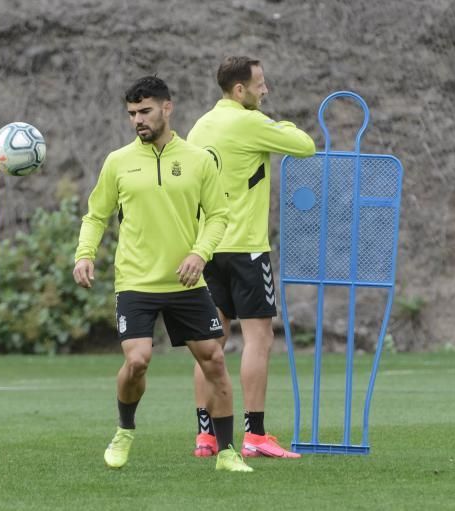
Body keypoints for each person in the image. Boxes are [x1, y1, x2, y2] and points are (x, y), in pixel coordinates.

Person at [74, 76, 252, 472]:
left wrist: (200, 254)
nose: (138, 119)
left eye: (145, 111)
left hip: (187, 281)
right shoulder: (118, 161)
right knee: (137, 361)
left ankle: (226, 452)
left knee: (215, 361)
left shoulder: (199, 160)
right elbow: (96, 214)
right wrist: (84, 254)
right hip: (136, 281)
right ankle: (124, 431)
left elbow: (219, 216)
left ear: (167, 108)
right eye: (132, 113)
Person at [186, 57, 316, 458]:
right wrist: (284, 126)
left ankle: (206, 435)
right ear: (239, 90)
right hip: (245, 247)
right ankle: (254, 435)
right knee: (259, 338)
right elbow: (305, 146)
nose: (266, 90)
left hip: (207, 247)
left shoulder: (200, 125)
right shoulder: (250, 122)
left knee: (213, 342)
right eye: (260, 84)